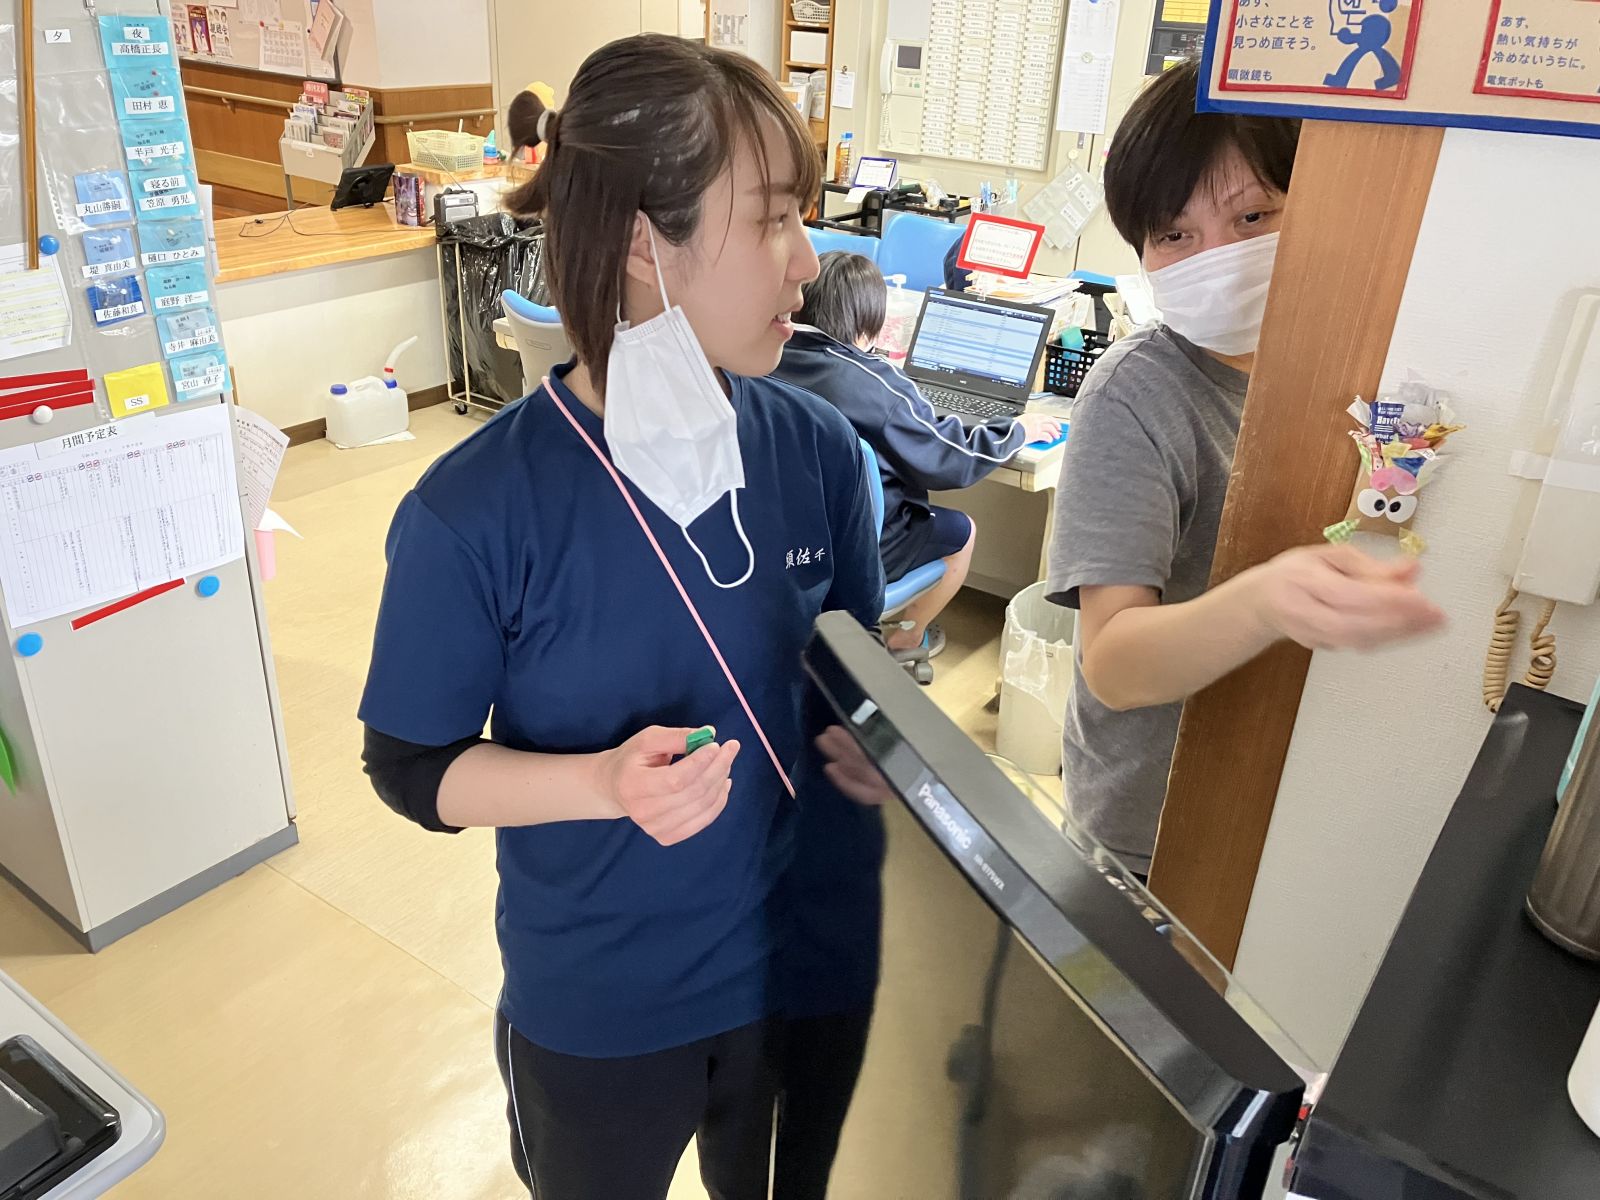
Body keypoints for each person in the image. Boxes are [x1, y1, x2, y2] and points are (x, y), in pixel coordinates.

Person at [358, 35, 883, 1200]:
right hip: (601, 1011)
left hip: (795, 978)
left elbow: (852, 685)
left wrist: (881, 754)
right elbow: (411, 768)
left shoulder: (815, 450)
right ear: (646, 243)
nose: (807, 262)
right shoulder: (473, 510)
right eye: (772, 220)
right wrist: (599, 784)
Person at [1044, 60, 1444, 878]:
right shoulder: (1136, 394)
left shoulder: (1353, 364)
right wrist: (1267, 599)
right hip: (1153, 826)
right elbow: (1112, 661)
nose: (1217, 257)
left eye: (1253, 215)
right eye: (1175, 235)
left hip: (1290, 801)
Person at [774, 250, 1062, 657]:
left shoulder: (772, 356)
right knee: (963, 531)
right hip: (858, 546)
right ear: (868, 322)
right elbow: (951, 459)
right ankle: (906, 639)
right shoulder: (876, 384)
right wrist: (1016, 430)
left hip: (783, 534)